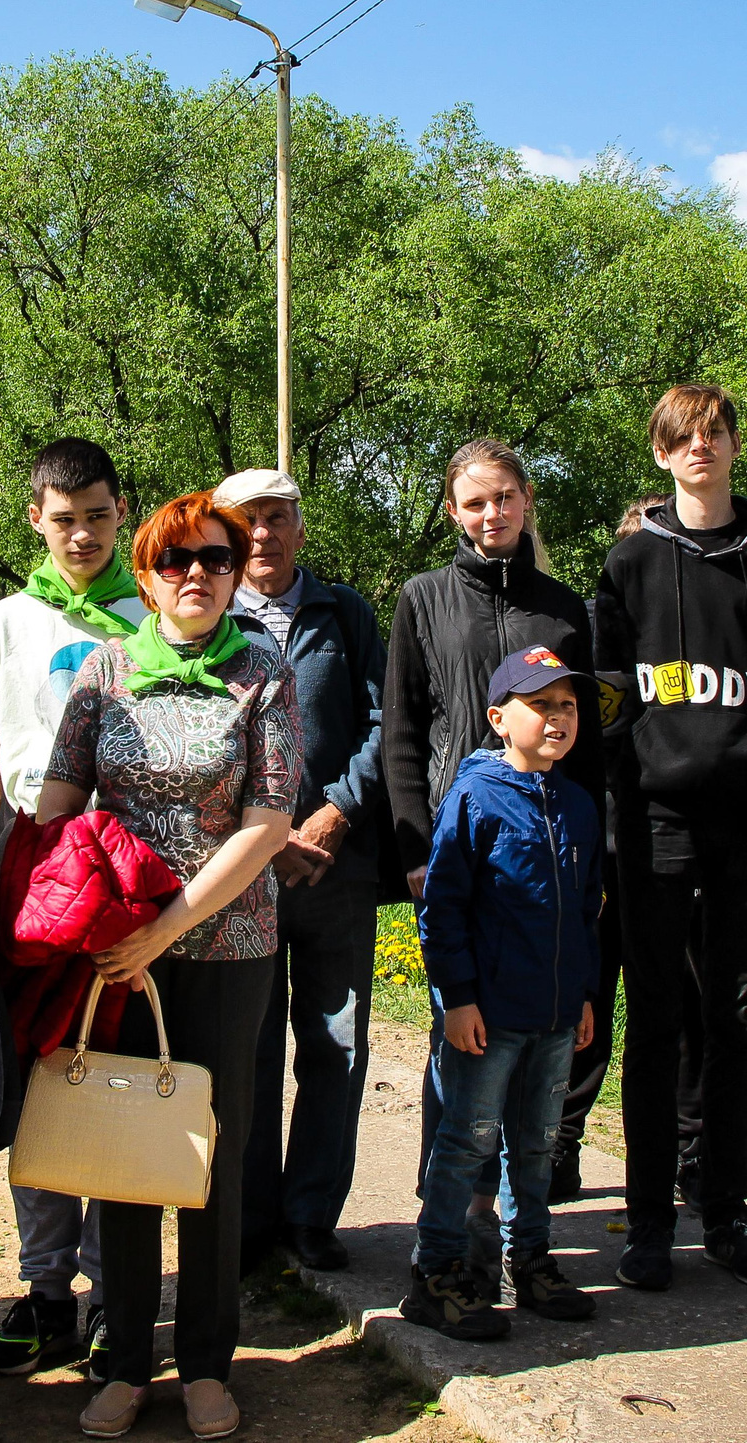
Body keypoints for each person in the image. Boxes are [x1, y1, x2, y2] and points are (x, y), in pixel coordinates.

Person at [36, 491, 298, 1441]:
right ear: (144, 573)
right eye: (179, 560)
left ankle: (207, 1363)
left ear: (236, 575)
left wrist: (171, 922)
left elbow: (270, 819)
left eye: (219, 561)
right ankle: (122, 1363)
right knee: (126, 1153)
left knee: (209, 1157)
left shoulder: (261, 671)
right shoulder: (105, 670)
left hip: (228, 947)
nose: (199, 575)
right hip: (116, 951)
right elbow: (62, 790)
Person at [594, 383, 747, 1292]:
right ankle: (650, 1221)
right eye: (684, 439)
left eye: (715, 436)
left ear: (732, 448)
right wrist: (624, 788)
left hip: (745, 822)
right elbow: (605, 693)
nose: (701, 451)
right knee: (656, 1021)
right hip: (654, 821)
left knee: (731, 1017)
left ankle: (724, 1210)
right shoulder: (630, 565)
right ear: (661, 454)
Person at [382, 440, 601, 1289]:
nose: (492, 515)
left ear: (526, 500)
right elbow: (402, 732)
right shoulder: (424, 599)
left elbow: (586, 756)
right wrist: (412, 850)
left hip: (550, 856)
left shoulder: (561, 606)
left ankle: (522, 1239)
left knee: (536, 1072)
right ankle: (457, 1236)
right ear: (453, 511)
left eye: (505, 497)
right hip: (457, 845)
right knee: (465, 1057)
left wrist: (594, 860)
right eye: (475, 502)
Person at [0, 437, 142, 1381]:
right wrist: (20, 837)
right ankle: (46, 1294)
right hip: (34, 865)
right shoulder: (1, 622)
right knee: (42, 1070)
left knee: (113, 1072)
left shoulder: (149, 609)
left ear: (122, 512)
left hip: (125, 872)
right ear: (35, 517)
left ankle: (116, 1294)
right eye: (63, 517)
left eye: (98, 515)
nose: (81, 534)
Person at [215, 466, 388, 1278]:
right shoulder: (207, 616)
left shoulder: (345, 612)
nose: (262, 534)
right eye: (247, 520)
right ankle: (244, 1223)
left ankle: (311, 1215)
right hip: (242, 875)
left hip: (336, 871)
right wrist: (265, 833)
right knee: (245, 1049)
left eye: (277, 517)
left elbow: (387, 722)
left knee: (335, 1043)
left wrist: (335, 812)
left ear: (300, 529)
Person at [401, 646, 602, 1342]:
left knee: (538, 1142)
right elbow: (443, 908)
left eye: (567, 706)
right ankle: (437, 1273)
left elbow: (583, 912)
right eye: (540, 704)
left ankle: (532, 1259)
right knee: (467, 1140)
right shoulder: (475, 796)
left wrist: (581, 995)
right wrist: (456, 998)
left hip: (552, 1018)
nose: (557, 717)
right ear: (497, 716)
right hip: (486, 1016)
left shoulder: (577, 803)